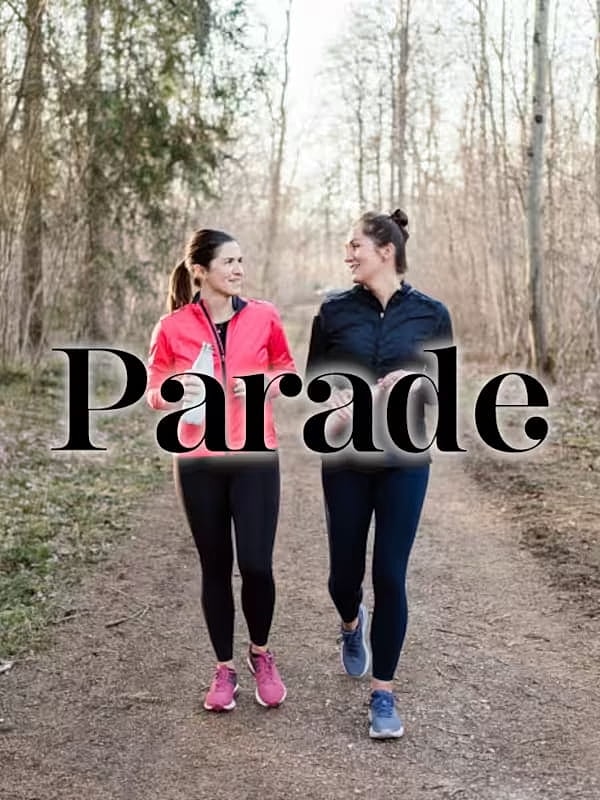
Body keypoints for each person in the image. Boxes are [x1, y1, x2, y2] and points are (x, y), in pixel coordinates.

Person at [305, 208, 453, 739]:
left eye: (355, 246)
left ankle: (383, 694)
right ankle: (351, 623)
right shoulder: (333, 311)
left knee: (390, 575)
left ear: (385, 251)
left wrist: (412, 386)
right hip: (345, 460)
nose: (348, 254)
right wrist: (339, 404)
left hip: (404, 462)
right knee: (343, 578)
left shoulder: (431, 314)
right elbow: (315, 383)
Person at [146, 229, 296, 712]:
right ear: (201, 271)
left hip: (255, 457)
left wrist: (263, 385)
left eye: (240, 261)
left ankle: (261, 653)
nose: (238, 269)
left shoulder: (264, 315)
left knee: (256, 565)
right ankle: (224, 668)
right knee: (215, 566)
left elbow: (287, 370)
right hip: (197, 462)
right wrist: (176, 391)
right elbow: (153, 389)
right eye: (228, 261)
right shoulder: (172, 327)